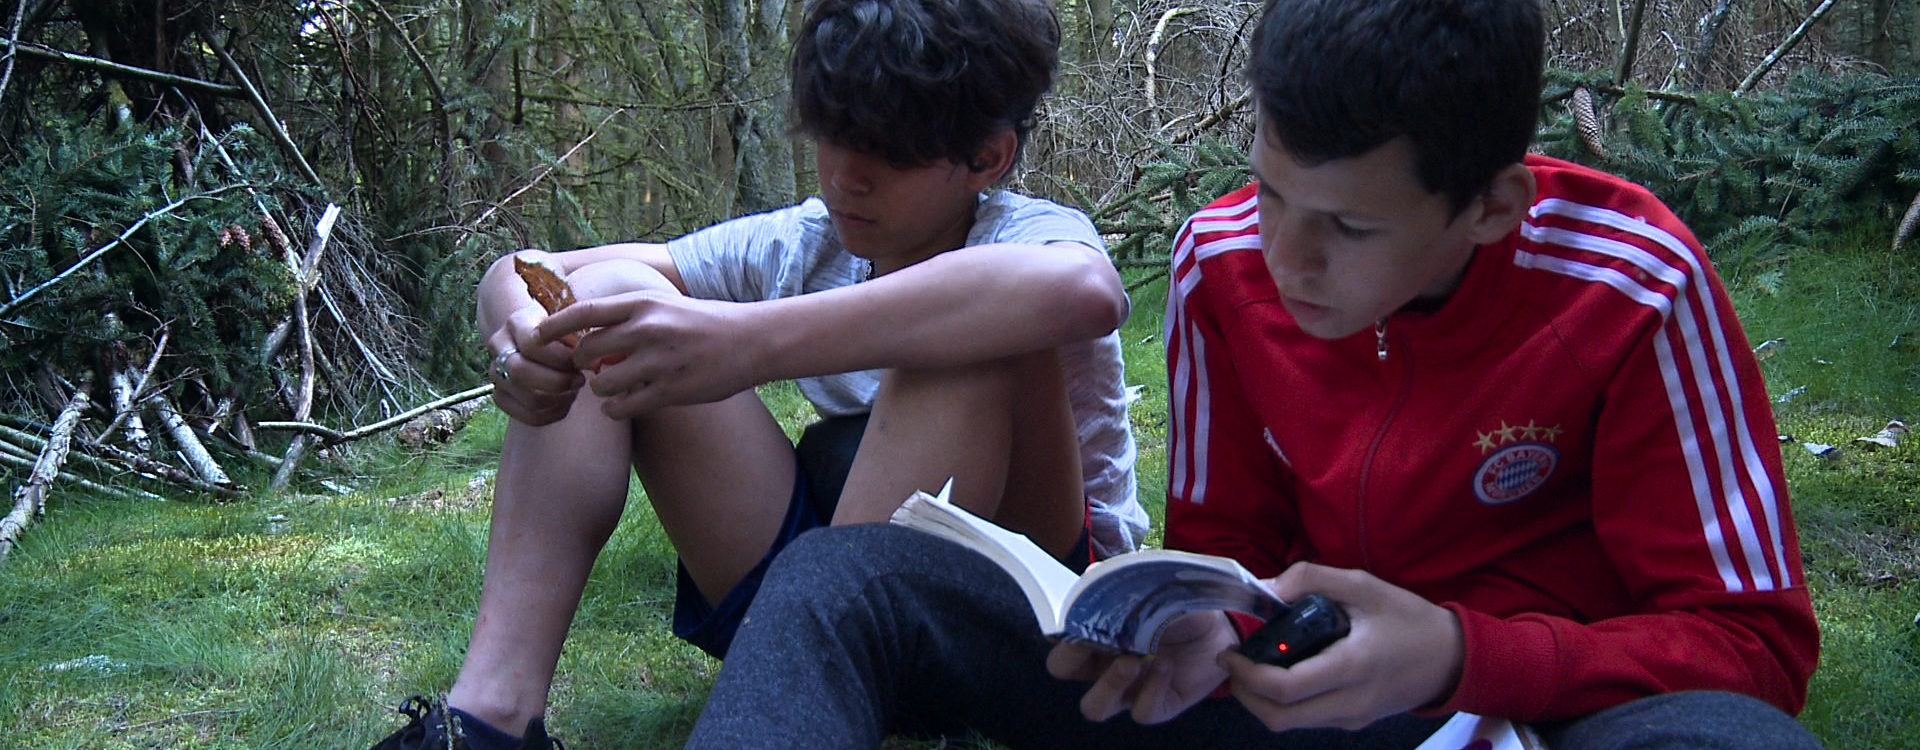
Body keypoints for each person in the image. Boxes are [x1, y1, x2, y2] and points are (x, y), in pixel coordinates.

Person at [680, 0, 1824, 747]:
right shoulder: (1221, 262)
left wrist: (1460, 654)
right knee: (842, 579)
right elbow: (1226, 551)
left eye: (1349, 228)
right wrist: (1203, 623)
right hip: (1303, 702)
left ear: (1491, 206)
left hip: (1565, 710)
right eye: (1271, 192)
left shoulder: (1630, 284)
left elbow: (1755, 650)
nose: (1286, 258)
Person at [365, 0, 1148, 748]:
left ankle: (816, 676)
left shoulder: (1027, 234)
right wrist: (521, 337)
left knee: (973, 331)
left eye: (891, 149)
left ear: (988, 157)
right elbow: (535, 269)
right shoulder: (810, 241)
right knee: (608, 300)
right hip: (823, 589)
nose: (846, 177)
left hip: (1030, 626)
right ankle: (491, 718)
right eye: (834, 135)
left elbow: (1084, 292)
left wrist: (745, 343)